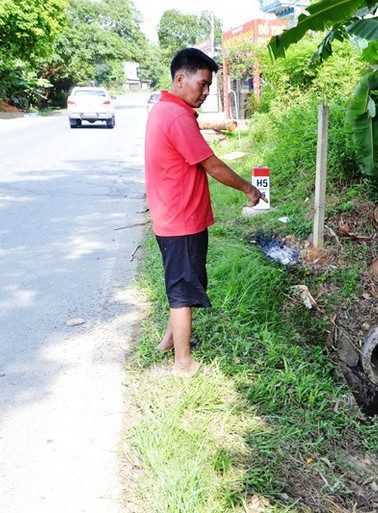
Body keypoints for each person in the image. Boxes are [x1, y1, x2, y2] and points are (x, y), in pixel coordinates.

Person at [145, 47, 265, 377]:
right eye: (203, 84)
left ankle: (169, 342)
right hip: (180, 219)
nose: (206, 92)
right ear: (180, 79)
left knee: (181, 283)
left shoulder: (164, 109)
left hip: (172, 215)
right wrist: (247, 188)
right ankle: (183, 363)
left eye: (210, 85)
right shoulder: (177, 117)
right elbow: (211, 165)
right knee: (182, 291)